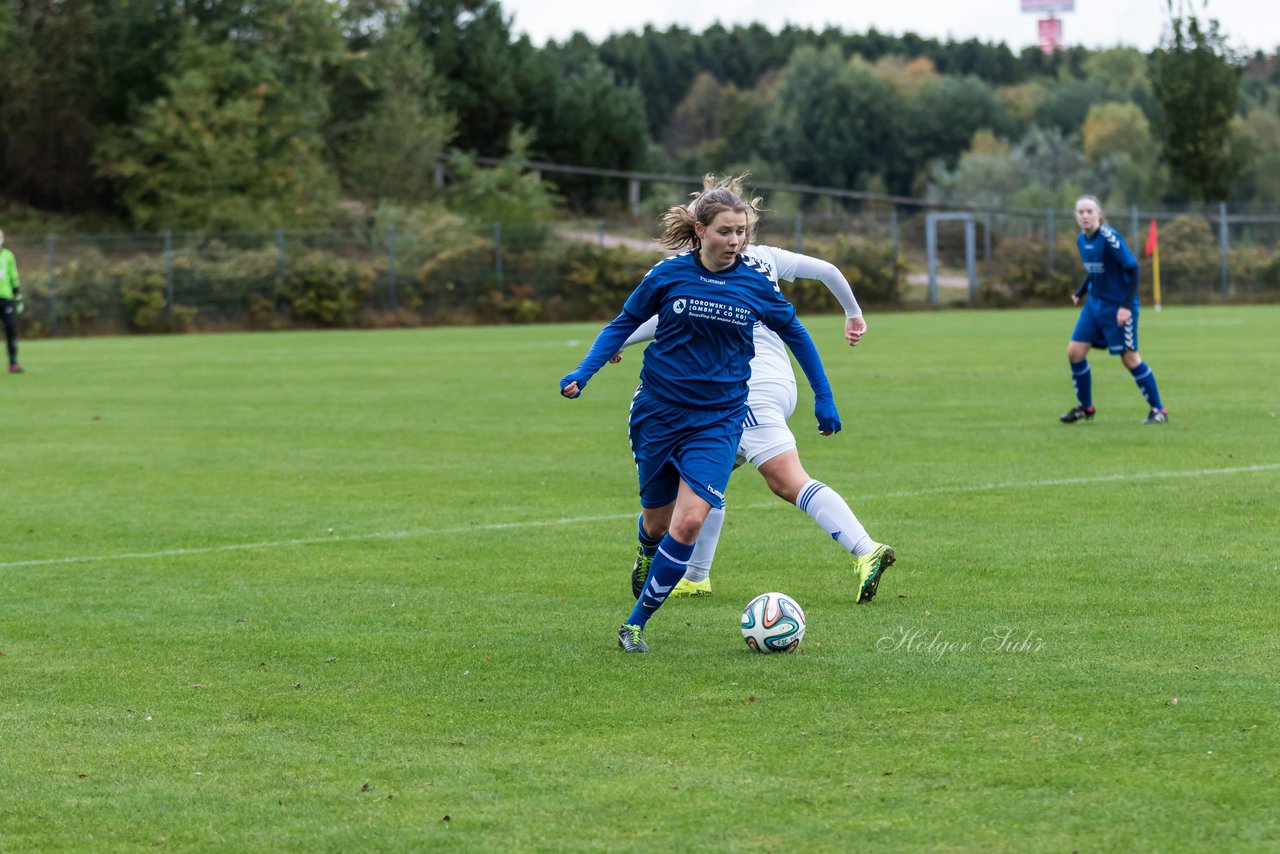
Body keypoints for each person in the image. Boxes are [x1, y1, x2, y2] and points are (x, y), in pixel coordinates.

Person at [559, 175, 841, 653]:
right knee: (656, 520)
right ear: (700, 230)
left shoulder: (754, 284)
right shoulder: (668, 275)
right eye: (726, 231)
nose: (735, 241)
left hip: (719, 420)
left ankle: (635, 625)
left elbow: (797, 334)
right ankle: (646, 550)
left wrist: (824, 396)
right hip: (658, 413)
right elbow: (625, 322)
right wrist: (585, 372)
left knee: (688, 522)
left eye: (742, 232)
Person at [614, 241, 893, 604]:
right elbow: (827, 270)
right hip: (779, 381)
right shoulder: (767, 256)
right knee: (703, 480)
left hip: (744, 387)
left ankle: (865, 549)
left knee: (785, 478)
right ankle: (696, 576)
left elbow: (672, 315)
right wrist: (852, 313)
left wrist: (622, 337)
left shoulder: (702, 268)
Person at [1060, 195, 1166, 425]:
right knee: (1075, 353)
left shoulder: (1109, 238)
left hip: (1118, 306)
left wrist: (1126, 307)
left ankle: (1159, 410)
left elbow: (1133, 269)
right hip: (1094, 305)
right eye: (1081, 212)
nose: (1085, 216)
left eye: (1090, 211)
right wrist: (1080, 292)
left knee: (1130, 359)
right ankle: (1086, 407)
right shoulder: (1081, 240)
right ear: (1076, 217)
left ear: (1099, 214)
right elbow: (1095, 270)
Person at [0, 227, 23, 374]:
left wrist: (18, 298)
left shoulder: (8, 256)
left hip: (6, 299)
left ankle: (13, 363)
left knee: (11, 329)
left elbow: (14, 276)